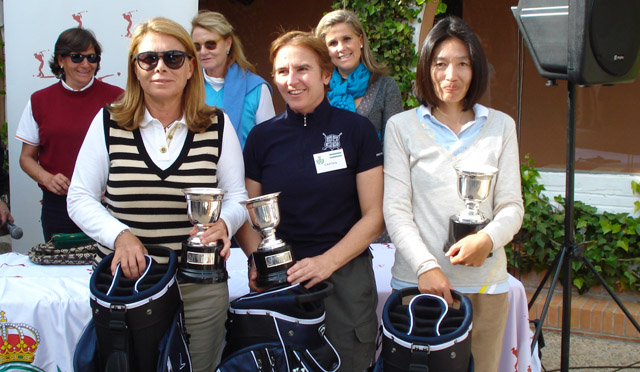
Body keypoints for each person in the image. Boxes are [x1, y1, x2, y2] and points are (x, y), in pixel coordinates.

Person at [67, 17, 248, 371]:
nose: (160, 67)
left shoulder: (218, 124)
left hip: (199, 285)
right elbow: (79, 197)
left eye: (173, 58)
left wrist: (225, 222)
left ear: (191, 68)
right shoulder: (108, 123)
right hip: (129, 285)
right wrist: (120, 235)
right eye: (148, 59)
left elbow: (237, 194)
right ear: (135, 68)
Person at [382, 16, 524, 372]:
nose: (451, 75)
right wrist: (426, 267)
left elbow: (511, 206)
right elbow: (396, 210)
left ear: (475, 69)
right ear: (426, 68)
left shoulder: (501, 126)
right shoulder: (402, 127)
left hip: (485, 286)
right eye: (441, 64)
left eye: (463, 64)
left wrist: (487, 240)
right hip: (418, 285)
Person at [238, 30, 384, 372]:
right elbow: (247, 212)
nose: (292, 81)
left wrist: (326, 262)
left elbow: (374, 216)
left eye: (302, 69)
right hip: (281, 280)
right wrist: (259, 259)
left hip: (344, 277)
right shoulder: (261, 138)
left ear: (326, 73)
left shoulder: (357, 131)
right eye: (283, 72)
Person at [15, 27, 123, 242]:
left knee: (106, 269)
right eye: (77, 57)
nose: (85, 64)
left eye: (92, 58)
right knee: (58, 269)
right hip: (58, 206)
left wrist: (114, 186)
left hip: (106, 205)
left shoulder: (117, 98)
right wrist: (46, 178)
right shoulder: (39, 101)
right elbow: (26, 157)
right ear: (61, 60)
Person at [315, 9, 403, 144]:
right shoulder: (319, 90)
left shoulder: (385, 86)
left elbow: (396, 145)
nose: (341, 48)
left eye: (347, 39)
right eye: (333, 43)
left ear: (360, 40)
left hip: (376, 164)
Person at [191, 10, 275, 149]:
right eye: (197, 47)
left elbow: (270, 143)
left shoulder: (256, 88)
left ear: (228, 43)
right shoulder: (188, 86)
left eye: (210, 44)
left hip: (246, 169)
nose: (203, 52)